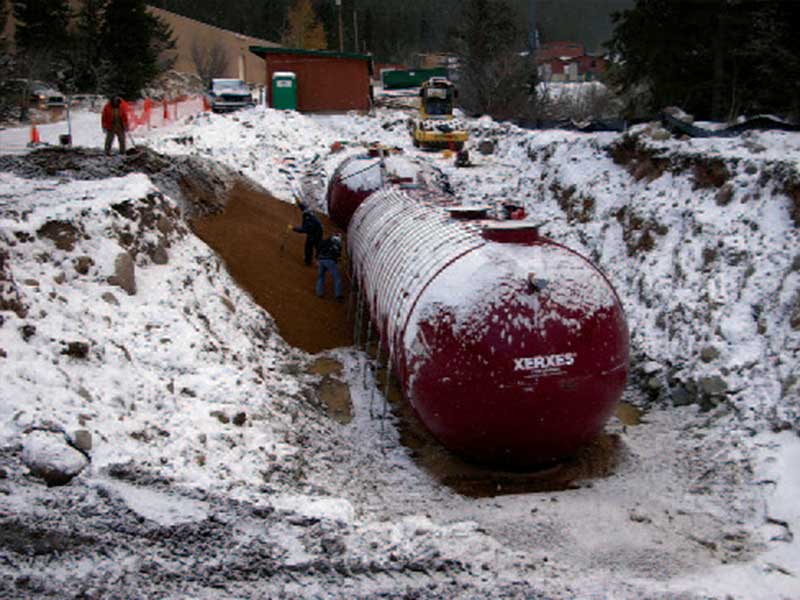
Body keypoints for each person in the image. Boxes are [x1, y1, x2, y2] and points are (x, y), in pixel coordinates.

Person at [291, 200, 323, 266]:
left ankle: (309, 261)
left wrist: (293, 228)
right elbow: (303, 207)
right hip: (318, 231)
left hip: (314, 233)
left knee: (309, 246)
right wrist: (298, 202)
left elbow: (304, 229)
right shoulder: (309, 212)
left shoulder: (307, 217)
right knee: (317, 246)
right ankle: (320, 260)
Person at [316, 233, 344, 301]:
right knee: (337, 278)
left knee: (321, 276)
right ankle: (338, 295)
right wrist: (338, 260)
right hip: (330, 261)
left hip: (321, 260)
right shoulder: (337, 244)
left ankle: (319, 293)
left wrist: (317, 258)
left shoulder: (326, 241)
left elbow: (319, 248)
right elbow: (337, 254)